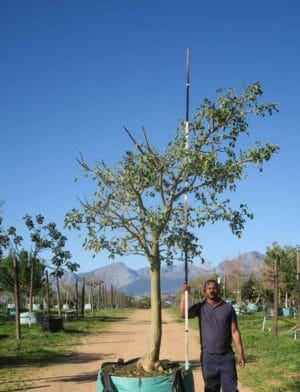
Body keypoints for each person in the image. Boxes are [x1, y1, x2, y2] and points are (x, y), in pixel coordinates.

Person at [179, 279, 245, 392]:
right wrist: (184, 294)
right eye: (209, 288)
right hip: (208, 357)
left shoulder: (228, 308)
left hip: (227, 357)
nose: (212, 291)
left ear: (218, 289)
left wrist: (241, 354)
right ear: (205, 290)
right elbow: (184, 314)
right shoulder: (200, 307)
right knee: (211, 389)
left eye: (214, 288)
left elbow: (234, 332)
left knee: (231, 389)